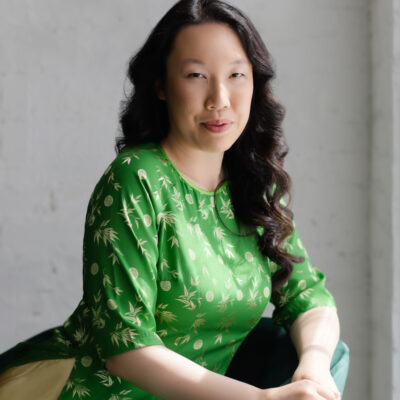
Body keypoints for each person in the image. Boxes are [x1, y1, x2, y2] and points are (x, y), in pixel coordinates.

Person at [0, 0, 349, 399]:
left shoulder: (252, 185)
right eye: (196, 75)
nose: (219, 98)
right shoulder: (136, 179)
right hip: (88, 391)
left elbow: (308, 296)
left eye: (236, 74)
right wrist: (262, 398)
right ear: (161, 86)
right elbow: (124, 346)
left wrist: (314, 370)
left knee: (327, 354)